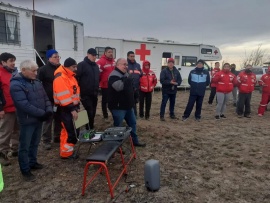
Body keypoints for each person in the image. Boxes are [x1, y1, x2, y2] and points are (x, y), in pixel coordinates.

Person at [10, 60, 52, 182]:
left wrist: (48, 110)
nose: (36, 73)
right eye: (33, 70)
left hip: (39, 119)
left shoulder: (36, 82)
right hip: (27, 121)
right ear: (23, 70)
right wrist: (42, 114)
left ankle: (33, 162)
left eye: (36, 70)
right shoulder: (16, 85)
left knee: (35, 143)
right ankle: (25, 169)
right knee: (25, 146)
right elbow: (24, 105)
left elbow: (45, 97)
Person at [108, 58, 146, 147]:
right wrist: (127, 79)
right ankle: (116, 146)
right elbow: (119, 87)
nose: (126, 66)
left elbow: (131, 87)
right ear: (117, 65)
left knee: (133, 124)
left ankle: (135, 141)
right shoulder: (113, 75)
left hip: (128, 106)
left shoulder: (126, 74)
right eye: (124, 64)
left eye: (126, 65)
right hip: (118, 107)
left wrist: (135, 95)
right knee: (118, 127)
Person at [53, 57, 80, 158]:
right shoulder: (60, 77)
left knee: (69, 130)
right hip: (65, 109)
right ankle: (66, 153)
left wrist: (77, 106)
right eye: (74, 67)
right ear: (67, 67)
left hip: (70, 108)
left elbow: (74, 93)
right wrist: (72, 109)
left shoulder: (70, 76)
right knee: (70, 132)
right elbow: (63, 96)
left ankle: (66, 151)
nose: (75, 69)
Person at [38, 49, 62, 150]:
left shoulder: (61, 69)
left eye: (58, 57)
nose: (57, 59)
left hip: (60, 99)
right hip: (48, 100)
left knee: (59, 119)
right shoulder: (43, 69)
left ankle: (57, 136)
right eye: (55, 57)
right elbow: (38, 84)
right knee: (48, 120)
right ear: (49, 58)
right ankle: (46, 140)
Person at [0, 53, 19, 166]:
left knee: (17, 130)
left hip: (16, 107)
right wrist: (0, 108)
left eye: (14, 60)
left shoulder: (13, 73)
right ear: (3, 62)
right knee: (5, 132)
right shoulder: (1, 74)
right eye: (11, 60)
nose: (13, 63)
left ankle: (15, 149)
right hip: (6, 109)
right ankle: (3, 153)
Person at [77, 48, 99, 129]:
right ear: (88, 54)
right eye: (93, 55)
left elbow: (97, 78)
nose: (94, 57)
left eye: (95, 55)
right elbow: (76, 78)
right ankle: (87, 128)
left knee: (92, 112)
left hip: (94, 93)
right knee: (88, 111)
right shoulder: (81, 65)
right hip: (84, 94)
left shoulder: (96, 66)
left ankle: (89, 127)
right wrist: (78, 92)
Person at [96, 47, 115, 119]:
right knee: (105, 101)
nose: (111, 54)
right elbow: (98, 74)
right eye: (109, 52)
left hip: (113, 85)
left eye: (112, 52)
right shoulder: (101, 62)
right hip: (105, 85)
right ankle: (105, 115)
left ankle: (113, 113)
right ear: (105, 53)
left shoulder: (113, 61)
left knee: (112, 100)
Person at [127, 51, 142, 117]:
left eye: (133, 56)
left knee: (135, 102)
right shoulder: (126, 65)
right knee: (128, 102)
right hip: (128, 87)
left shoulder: (138, 65)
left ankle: (134, 115)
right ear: (128, 56)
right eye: (131, 56)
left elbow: (140, 74)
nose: (132, 58)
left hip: (136, 87)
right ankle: (128, 115)